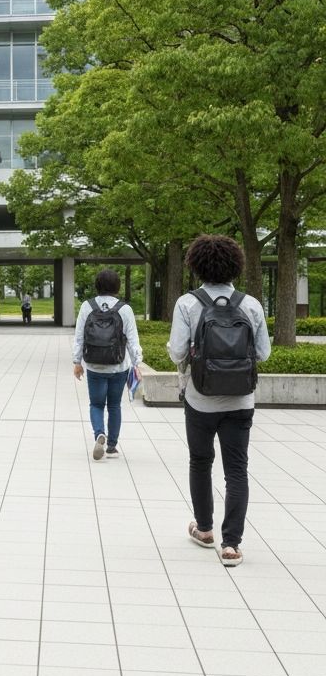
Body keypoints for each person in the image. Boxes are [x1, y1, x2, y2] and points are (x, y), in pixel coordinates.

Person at [167, 235, 270, 567]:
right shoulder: (250, 304)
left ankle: (206, 529)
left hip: (200, 398)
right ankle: (231, 545)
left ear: (196, 266)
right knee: (237, 469)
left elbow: (178, 351)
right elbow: (264, 353)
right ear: (235, 266)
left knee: (200, 462)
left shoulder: (187, 303)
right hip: (241, 401)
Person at [72, 269, 142, 460]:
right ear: (117, 287)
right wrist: (137, 363)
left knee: (96, 404)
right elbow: (133, 339)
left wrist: (77, 361)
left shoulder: (88, 306)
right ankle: (111, 446)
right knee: (114, 406)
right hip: (118, 366)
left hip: (94, 365)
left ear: (97, 285)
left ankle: (99, 434)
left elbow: (79, 336)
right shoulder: (124, 309)